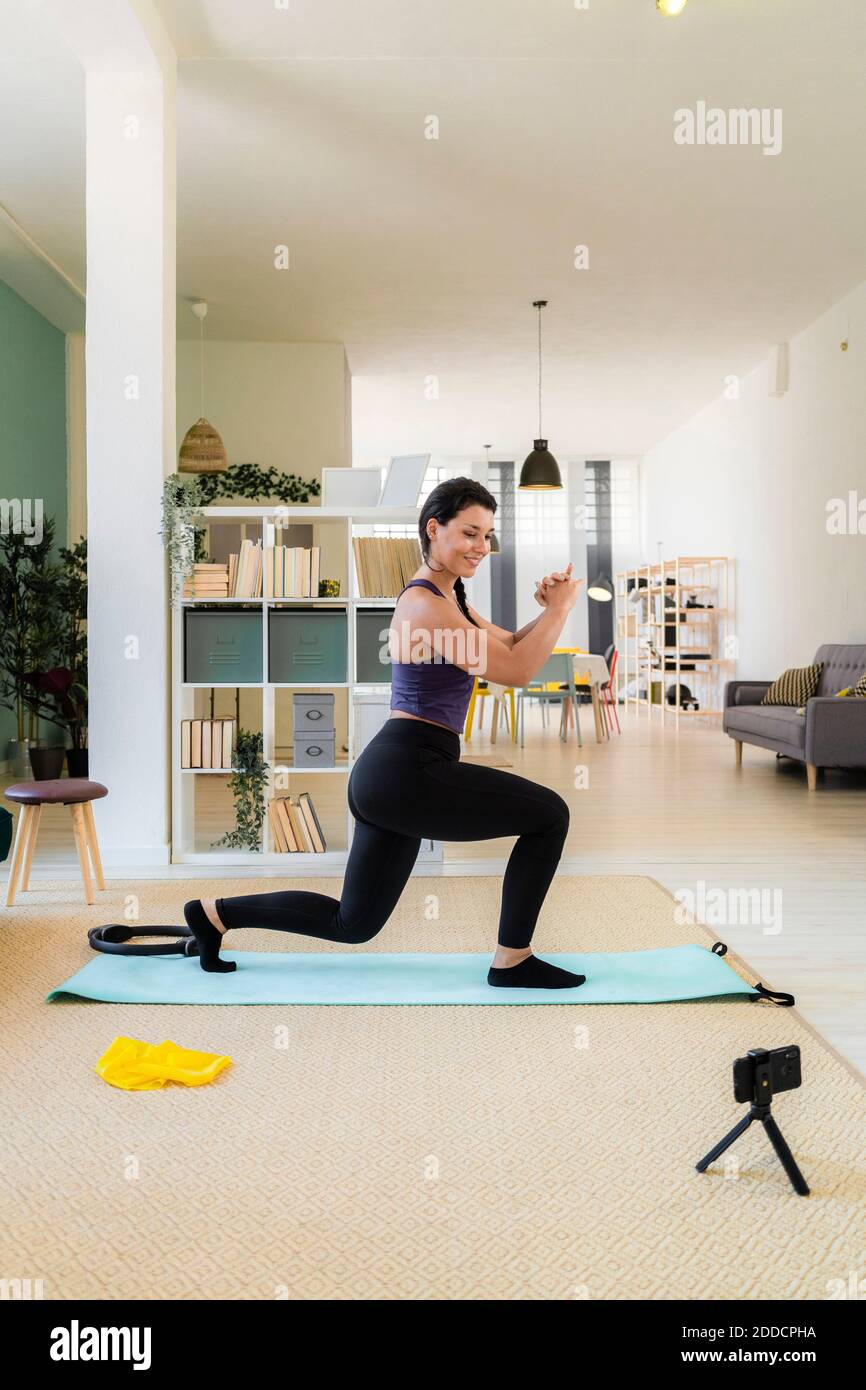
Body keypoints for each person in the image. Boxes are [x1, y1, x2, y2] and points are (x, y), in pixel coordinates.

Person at [183, 477, 586, 989]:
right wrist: (560, 609)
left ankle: (213, 915)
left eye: (487, 536)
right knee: (550, 816)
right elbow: (516, 671)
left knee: (352, 925)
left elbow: (509, 645)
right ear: (433, 529)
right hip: (409, 770)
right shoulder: (426, 606)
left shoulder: (449, 597)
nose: (481, 547)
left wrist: (548, 611)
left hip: (393, 775)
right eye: (469, 533)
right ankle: (513, 960)